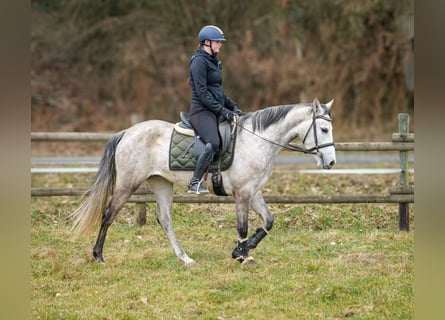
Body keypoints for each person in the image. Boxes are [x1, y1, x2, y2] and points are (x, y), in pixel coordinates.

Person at [187, 25, 242, 194]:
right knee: (214, 142)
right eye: (218, 42)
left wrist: (232, 106)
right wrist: (222, 111)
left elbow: (218, 91)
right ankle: (194, 182)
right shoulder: (198, 62)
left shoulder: (215, 62)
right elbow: (203, 94)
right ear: (207, 42)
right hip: (201, 111)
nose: (220, 45)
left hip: (213, 109)